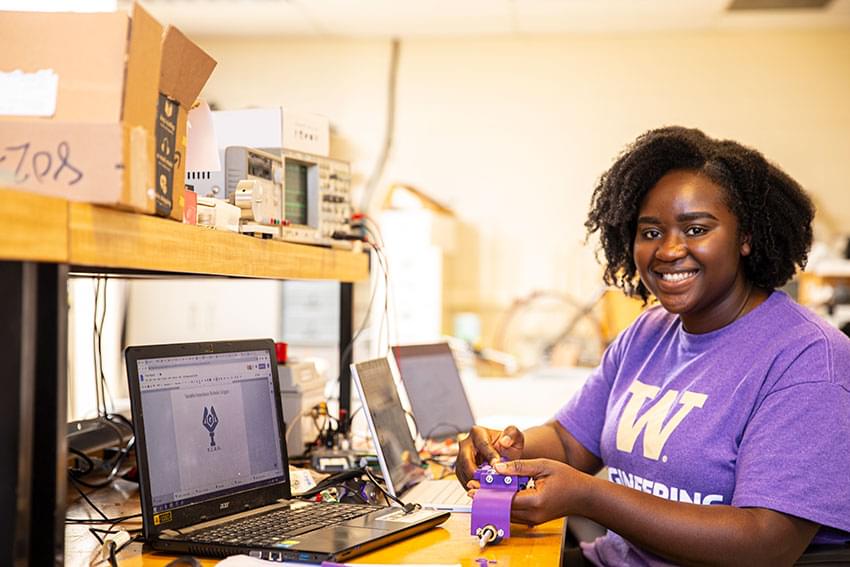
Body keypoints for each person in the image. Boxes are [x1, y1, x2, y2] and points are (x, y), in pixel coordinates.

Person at [457, 126, 850, 566]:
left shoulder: (809, 358)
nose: (668, 250)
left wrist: (589, 497)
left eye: (696, 228)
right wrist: (505, 451)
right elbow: (570, 443)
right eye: (650, 232)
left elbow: (765, 543)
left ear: (746, 238)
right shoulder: (647, 333)